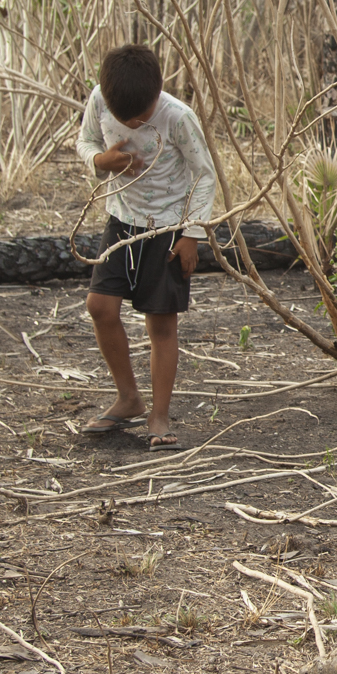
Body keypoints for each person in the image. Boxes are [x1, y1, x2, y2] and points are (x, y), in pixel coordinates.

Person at [74, 44, 217, 450]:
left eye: (142, 117)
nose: (134, 123)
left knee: (160, 323)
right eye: (125, 120)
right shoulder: (100, 99)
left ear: (157, 93)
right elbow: (84, 142)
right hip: (122, 221)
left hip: (169, 230)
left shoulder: (178, 117)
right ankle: (128, 397)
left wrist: (192, 234)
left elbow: (204, 176)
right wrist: (101, 161)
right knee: (99, 307)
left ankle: (158, 415)